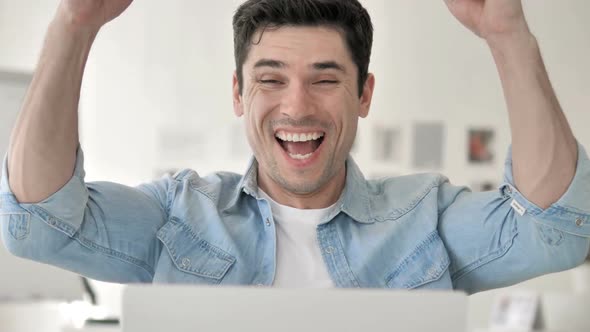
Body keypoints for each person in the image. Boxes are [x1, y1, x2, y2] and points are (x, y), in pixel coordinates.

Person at [1, 0, 589, 292]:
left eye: (326, 79)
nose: (298, 107)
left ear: (364, 94)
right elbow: (38, 224)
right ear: (238, 93)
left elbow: (557, 230)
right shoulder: (178, 213)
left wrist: (508, 35)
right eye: (271, 79)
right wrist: (72, 26)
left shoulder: (427, 217)